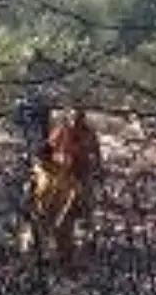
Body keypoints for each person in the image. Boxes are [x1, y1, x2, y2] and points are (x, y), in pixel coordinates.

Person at [22, 105, 103, 268]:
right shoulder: (60, 133)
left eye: (78, 117)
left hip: (78, 176)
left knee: (74, 216)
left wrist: (97, 169)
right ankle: (36, 254)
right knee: (45, 220)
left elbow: (96, 153)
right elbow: (48, 149)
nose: (74, 121)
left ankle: (78, 248)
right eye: (72, 117)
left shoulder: (88, 134)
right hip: (59, 178)